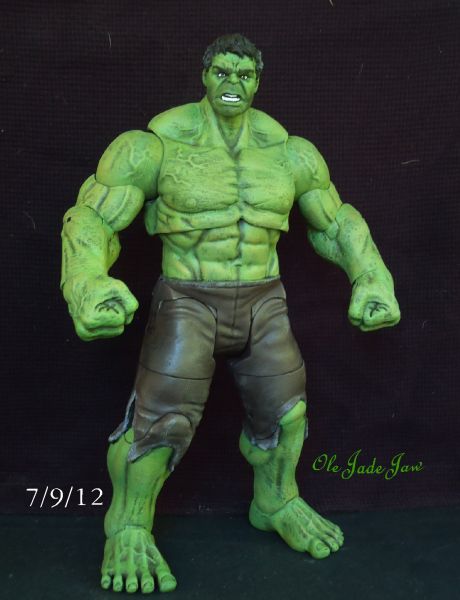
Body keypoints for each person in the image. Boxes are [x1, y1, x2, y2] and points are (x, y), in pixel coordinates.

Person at [61, 33, 400, 593]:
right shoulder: (155, 145)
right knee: (161, 423)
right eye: (222, 72)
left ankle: (276, 502)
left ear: (258, 81)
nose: (232, 84)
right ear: (204, 74)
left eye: (244, 75)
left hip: (264, 300)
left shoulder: (289, 151)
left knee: (287, 416)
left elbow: (335, 221)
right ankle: (127, 527)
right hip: (188, 300)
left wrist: (371, 275)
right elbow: (92, 216)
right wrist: (87, 283)